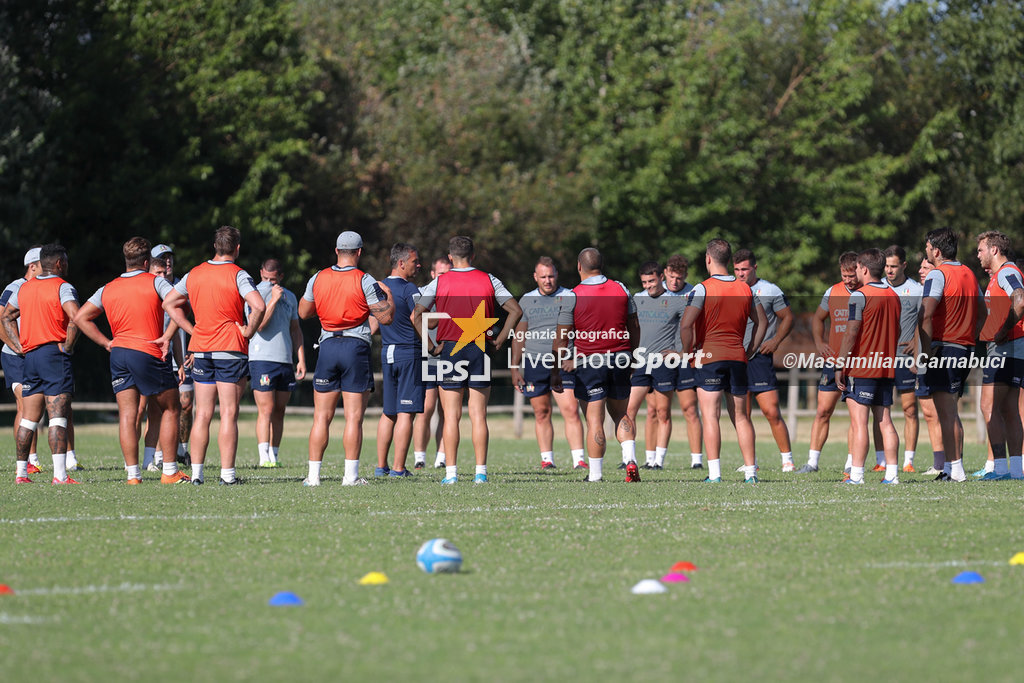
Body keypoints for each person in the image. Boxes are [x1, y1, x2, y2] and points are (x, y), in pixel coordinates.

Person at [74, 237, 188, 484]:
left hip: (119, 355)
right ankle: (169, 471)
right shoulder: (157, 282)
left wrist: (106, 342)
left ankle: (133, 475)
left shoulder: (109, 287)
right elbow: (181, 303)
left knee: (127, 413)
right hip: (147, 351)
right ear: (147, 262)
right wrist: (168, 336)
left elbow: (81, 317)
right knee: (171, 407)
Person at [413, 236, 522, 484]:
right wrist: (501, 339)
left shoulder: (439, 281)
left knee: (451, 416)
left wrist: (430, 347)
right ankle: (480, 473)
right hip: (479, 349)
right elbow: (516, 310)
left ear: (450, 258)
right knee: (479, 415)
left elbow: (416, 315)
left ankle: (451, 474)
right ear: (473, 256)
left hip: (450, 350)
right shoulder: (489, 279)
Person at [162, 226, 266, 485]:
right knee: (229, 413)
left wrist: (191, 329)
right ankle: (228, 476)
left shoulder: (194, 273)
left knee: (202, 414)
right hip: (230, 349)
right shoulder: (238, 274)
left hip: (202, 349)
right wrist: (249, 330)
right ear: (237, 249)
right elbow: (259, 305)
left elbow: (169, 303)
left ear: (215, 247)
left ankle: (197, 474)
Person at [298, 231, 394, 486]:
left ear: (336, 250)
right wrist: (387, 295)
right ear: (359, 252)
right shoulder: (365, 279)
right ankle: (350, 477)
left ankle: (313, 477)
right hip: (355, 347)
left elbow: (303, 311)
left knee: (321, 417)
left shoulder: (318, 277)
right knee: (353, 418)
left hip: (328, 346)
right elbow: (386, 318)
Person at [680, 239, 766, 483]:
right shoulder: (745, 288)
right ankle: (751, 473)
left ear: (708, 259)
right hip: (737, 357)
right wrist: (750, 349)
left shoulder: (702, 289)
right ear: (729, 261)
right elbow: (763, 322)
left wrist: (687, 354)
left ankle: (715, 474)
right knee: (741, 417)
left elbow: (685, 325)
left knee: (710, 416)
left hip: (710, 358)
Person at [553, 247, 638, 482]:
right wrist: (634, 355)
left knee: (594, 419)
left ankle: (595, 475)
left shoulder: (573, 295)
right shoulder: (621, 288)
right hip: (620, 357)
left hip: (589, 361)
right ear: (602, 265)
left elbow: (561, 339)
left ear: (579, 267)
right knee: (621, 413)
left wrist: (555, 370)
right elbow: (634, 326)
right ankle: (630, 458)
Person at [0, 244, 81, 484]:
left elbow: (6, 316)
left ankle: (21, 473)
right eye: (65, 261)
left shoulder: (24, 288)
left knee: (28, 418)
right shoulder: (62, 287)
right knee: (57, 416)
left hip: (30, 357)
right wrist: (68, 346)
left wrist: (19, 346)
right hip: (53, 355)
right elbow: (75, 317)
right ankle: (60, 475)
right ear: (58, 264)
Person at [918, 227, 985, 482]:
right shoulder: (969, 272)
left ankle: (955, 470)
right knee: (950, 410)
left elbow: (926, 314)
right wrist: (970, 336)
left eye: (927, 249)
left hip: (945, 347)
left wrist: (925, 352)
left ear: (936, 250)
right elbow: (983, 312)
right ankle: (950, 467)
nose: (926, 254)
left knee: (945, 412)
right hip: (965, 348)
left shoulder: (938, 275)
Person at [509, 257, 585, 471]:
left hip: (563, 363)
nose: (547, 280)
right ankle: (547, 460)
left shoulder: (570, 297)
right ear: (535, 277)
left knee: (570, 409)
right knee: (541, 412)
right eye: (543, 277)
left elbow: (582, 330)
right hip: (534, 363)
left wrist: (575, 355)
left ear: (556, 275)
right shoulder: (526, 300)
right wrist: (515, 367)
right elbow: (519, 336)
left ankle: (579, 459)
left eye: (551, 276)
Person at [835, 249, 902, 485]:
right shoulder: (894, 296)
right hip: (885, 366)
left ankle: (856, 476)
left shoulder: (860, 296)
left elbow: (851, 331)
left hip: (862, 368)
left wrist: (840, 363)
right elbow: (898, 330)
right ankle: (892, 475)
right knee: (885, 421)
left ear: (863, 269)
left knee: (859, 423)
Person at [732, 249, 795, 471]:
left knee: (771, 411)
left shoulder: (769, 290)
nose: (741, 274)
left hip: (759, 359)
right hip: (736, 358)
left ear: (754, 268)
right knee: (742, 413)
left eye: (745, 269)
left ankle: (787, 460)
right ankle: (751, 462)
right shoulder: (730, 289)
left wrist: (776, 341)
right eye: (737, 269)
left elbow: (787, 317)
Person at [621, 261, 686, 474]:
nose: (648, 286)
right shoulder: (637, 300)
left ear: (661, 277)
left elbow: (687, 329)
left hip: (663, 364)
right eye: (644, 282)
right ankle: (629, 458)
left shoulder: (676, 301)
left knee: (662, 412)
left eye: (651, 281)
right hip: (640, 363)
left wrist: (680, 353)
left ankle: (658, 460)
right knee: (628, 411)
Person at [798, 252, 860, 474]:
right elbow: (818, 318)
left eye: (851, 275)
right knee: (823, 411)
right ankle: (812, 462)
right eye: (844, 275)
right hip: (833, 361)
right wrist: (819, 342)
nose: (848, 280)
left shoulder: (868, 291)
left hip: (858, 362)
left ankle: (852, 462)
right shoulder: (832, 292)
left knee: (857, 415)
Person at [975, 231, 1024, 480]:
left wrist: (1004, 330)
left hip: (1007, 349)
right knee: (1008, 410)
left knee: (989, 407)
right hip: (1013, 350)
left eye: (981, 249)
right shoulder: (1000, 275)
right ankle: (1015, 471)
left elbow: (1020, 300)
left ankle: (1001, 469)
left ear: (994, 250)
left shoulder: (1007, 272)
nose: (978, 254)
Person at [248, 258, 305, 468]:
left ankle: (274, 454)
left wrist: (300, 359)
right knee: (267, 409)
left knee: (280, 409)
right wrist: (271, 300)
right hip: (262, 358)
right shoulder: (255, 294)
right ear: (260, 273)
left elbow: (295, 329)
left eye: (272, 280)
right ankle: (263, 457)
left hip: (285, 360)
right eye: (264, 278)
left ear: (280, 277)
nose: (268, 283)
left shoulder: (290, 296)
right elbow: (260, 326)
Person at [374, 243, 423, 478]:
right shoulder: (409, 288)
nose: (418, 265)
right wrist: (432, 344)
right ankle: (398, 468)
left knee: (389, 411)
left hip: (387, 352)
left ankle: (381, 466)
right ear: (401, 263)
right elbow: (417, 317)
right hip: (408, 353)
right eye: (415, 261)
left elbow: (375, 323)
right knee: (406, 412)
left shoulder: (377, 287)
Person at [876, 245, 924, 474]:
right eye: (886, 266)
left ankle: (908, 461)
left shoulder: (916, 289)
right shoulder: (876, 288)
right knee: (880, 409)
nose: (889, 271)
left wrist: (917, 354)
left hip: (905, 358)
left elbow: (922, 324)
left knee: (909, 409)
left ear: (904, 265)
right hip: (880, 359)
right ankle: (881, 460)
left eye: (894, 266)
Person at [0, 247, 43, 475]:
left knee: (35, 406)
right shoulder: (15, 288)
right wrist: (20, 348)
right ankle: (27, 461)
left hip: (34, 356)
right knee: (24, 404)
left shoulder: (42, 288)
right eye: (42, 264)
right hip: (15, 356)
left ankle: (33, 459)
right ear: (32, 266)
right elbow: (1, 322)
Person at [663, 255, 704, 470]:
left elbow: (698, 326)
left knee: (689, 408)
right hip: (660, 359)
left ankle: (697, 460)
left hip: (685, 357)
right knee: (657, 411)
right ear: (664, 273)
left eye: (679, 278)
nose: (675, 281)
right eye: (671, 277)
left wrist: (687, 352)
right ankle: (654, 460)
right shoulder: (655, 293)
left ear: (685, 276)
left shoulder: (694, 293)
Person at [412, 256, 451, 469]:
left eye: (448, 272)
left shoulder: (458, 292)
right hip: (427, 357)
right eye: (441, 273)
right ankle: (420, 457)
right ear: (433, 274)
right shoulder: (421, 293)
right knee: (426, 408)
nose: (445, 277)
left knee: (447, 410)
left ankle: (442, 457)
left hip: (449, 356)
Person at [914, 258, 945, 476]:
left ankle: (949, 462)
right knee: (928, 411)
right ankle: (939, 463)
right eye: (921, 267)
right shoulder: (919, 291)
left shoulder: (937, 289)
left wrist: (923, 353)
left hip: (934, 352)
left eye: (926, 267)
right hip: (921, 354)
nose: (921, 270)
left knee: (944, 409)